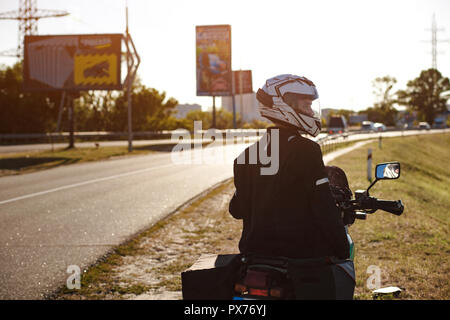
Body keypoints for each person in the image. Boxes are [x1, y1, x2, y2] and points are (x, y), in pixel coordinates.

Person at [229, 74, 349, 259]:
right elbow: (323, 208)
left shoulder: (246, 155)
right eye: (306, 105)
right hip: (297, 256)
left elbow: (236, 210)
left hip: (252, 256)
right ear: (286, 106)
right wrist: (342, 249)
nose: (311, 112)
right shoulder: (306, 150)